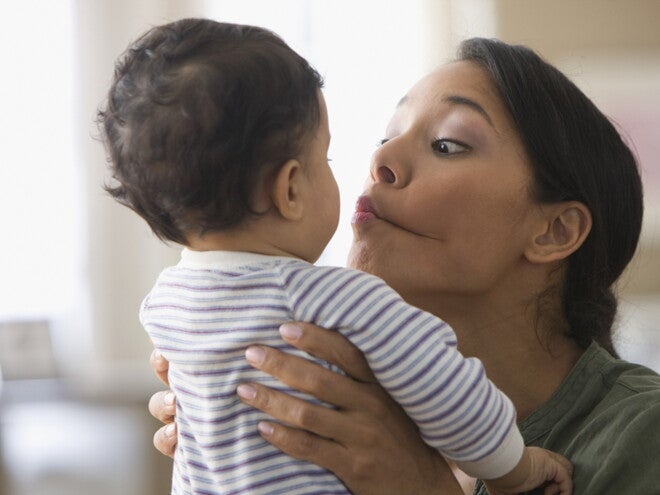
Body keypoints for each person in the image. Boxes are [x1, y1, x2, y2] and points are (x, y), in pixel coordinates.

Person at [148, 36, 660, 494]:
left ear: (554, 231)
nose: (381, 160)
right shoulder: (339, 414)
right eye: (384, 136)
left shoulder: (642, 433)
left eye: (447, 144)